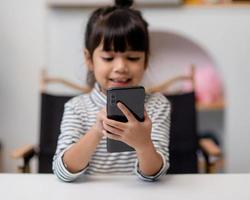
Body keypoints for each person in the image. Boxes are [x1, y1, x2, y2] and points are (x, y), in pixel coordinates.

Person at [52, 0, 171, 182]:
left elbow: (154, 174)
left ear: (146, 60)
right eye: (108, 58)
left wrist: (143, 144)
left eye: (132, 57)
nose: (121, 67)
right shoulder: (77, 107)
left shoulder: (157, 105)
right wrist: (97, 130)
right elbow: (63, 172)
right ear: (89, 59)